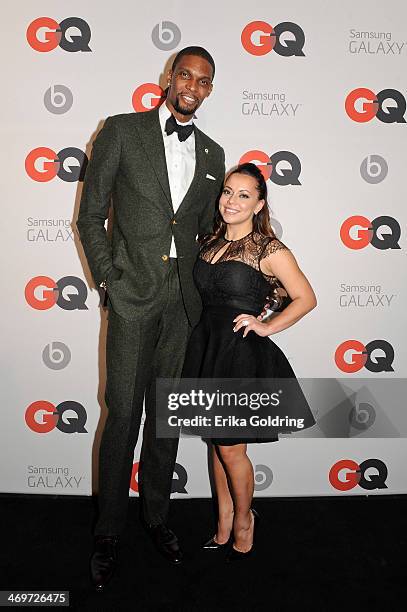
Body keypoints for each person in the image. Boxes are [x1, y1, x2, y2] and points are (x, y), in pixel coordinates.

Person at [76, 46, 226, 591]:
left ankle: (157, 518)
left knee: (167, 417)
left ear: (210, 89)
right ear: (169, 78)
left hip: (184, 305)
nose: (192, 85)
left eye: (203, 80)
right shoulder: (121, 130)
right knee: (123, 414)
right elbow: (90, 214)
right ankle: (109, 530)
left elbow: (212, 233)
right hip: (133, 294)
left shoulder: (213, 152)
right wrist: (109, 279)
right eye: (185, 74)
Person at [180, 162, 317, 562]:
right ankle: (223, 519)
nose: (231, 201)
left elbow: (306, 298)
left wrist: (266, 326)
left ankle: (244, 520)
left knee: (231, 449)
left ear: (259, 204)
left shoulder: (269, 249)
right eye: (227, 191)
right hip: (207, 348)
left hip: (240, 356)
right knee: (216, 442)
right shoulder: (208, 243)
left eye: (244, 195)